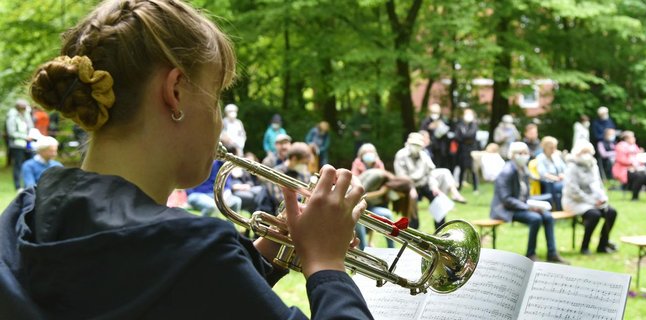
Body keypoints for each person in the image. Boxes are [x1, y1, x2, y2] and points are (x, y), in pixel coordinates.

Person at [0, 1, 371, 318]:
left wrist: (268, 253)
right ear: (175, 92)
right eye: (216, 96)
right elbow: (190, 274)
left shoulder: (23, 216)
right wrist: (326, 264)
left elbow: (184, 295)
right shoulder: (194, 251)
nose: (219, 119)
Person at [490, 142, 569, 263]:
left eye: (526, 153)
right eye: (520, 153)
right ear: (513, 155)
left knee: (548, 216)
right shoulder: (506, 172)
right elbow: (506, 200)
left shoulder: (523, 169)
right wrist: (528, 207)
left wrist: (534, 205)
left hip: (521, 206)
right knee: (535, 218)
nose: (524, 155)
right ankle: (530, 254)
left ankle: (552, 253)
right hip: (506, 209)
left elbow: (525, 195)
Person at [562, 140, 618, 255]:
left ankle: (603, 244)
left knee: (611, 212)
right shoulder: (572, 167)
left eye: (588, 152)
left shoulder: (593, 164)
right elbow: (573, 191)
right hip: (575, 201)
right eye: (584, 152)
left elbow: (598, 184)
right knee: (594, 215)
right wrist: (592, 201)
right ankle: (585, 246)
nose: (586, 155)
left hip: (593, 200)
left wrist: (602, 197)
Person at [394, 132, 446, 230]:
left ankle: (440, 230)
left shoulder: (424, 156)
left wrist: (434, 186)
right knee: (412, 201)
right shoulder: (401, 155)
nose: (416, 147)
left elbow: (430, 174)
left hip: (423, 184)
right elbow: (401, 176)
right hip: (408, 186)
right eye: (414, 145)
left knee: (438, 199)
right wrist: (411, 188)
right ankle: (414, 231)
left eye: (418, 145)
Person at [613, 131, 646, 202]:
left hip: (636, 169)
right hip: (624, 171)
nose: (634, 138)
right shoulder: (620, 146)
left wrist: (642, 158)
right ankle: (635, 197)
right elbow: (621, 159)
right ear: (626, 138)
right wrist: (632, 163)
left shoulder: (634, 146)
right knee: (639, 177)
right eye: (632, 137)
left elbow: (639, 158)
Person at [6, 99, 35, 190]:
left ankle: (29, 184)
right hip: (17, 145)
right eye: (24, 107)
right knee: (18, 165)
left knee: (29, 163)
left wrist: (31, 135)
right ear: (19, 107)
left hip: (28, 144)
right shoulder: (12, 116)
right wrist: (24, 137)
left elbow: (31, 127)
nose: (25, 108)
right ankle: (18, 186)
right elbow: (11, 132)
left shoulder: (26, 114)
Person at [535, 136, 566, 211]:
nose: (553, 149)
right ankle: (559, 210)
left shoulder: (556, 156)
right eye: (551, 147)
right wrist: (555, 178)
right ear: (544, 147)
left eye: (554, 147)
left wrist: (563, 175)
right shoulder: (540, 158)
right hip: (549, 181)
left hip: (560, 180)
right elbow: (543, 173)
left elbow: (565, 169)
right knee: (560, 187)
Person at [454, 108, 479, 192]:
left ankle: (475, 188)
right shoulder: (460, 125)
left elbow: (471, 135)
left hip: (472, 150)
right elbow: (457, 137)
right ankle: (459, 186)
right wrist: (464, 137)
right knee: (462, 169)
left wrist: (463, 136)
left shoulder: (474, 124)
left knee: (473, 169)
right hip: (462, 150)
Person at [419, 103, 451, 168]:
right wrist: (429, 128)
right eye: (433, 112)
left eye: (437, 112)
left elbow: (449, 133)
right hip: (429, 149)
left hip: (441, 149)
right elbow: (422, 133)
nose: (435, 114)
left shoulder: (444, 120)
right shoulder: (425, 122)